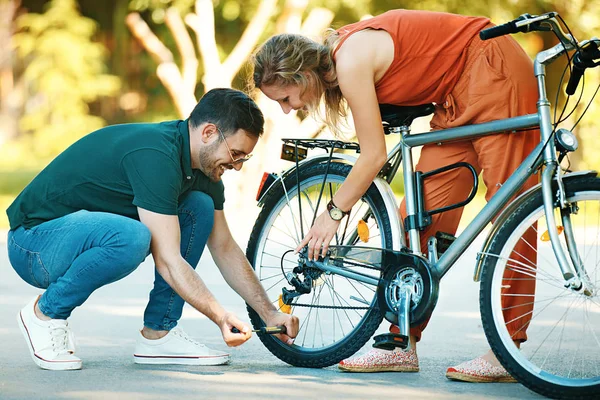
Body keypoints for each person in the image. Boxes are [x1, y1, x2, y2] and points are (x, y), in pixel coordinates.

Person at [251, 9, 539, 382]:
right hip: (453, 97)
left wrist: (333, 213)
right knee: (419, 218)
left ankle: (506, 349)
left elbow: (373, 155)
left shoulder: (349, 59)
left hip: (490, 65)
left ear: (303, 75)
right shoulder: (343, 58)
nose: (287, 110)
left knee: (511, 214)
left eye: (286, 97)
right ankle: (401, 342)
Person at [7, 88, 299, 371]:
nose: (237, 166)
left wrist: (268, 312)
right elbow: (169, 260)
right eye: (235, 154)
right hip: (33, 245)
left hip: (67, 239)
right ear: (208, 133)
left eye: (243, 158)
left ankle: (158, 334)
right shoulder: (157, 156)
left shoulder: (204, 170)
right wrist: (220, 316)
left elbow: (224, 247)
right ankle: (45, 314)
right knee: (132, 238)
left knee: (199, 207)